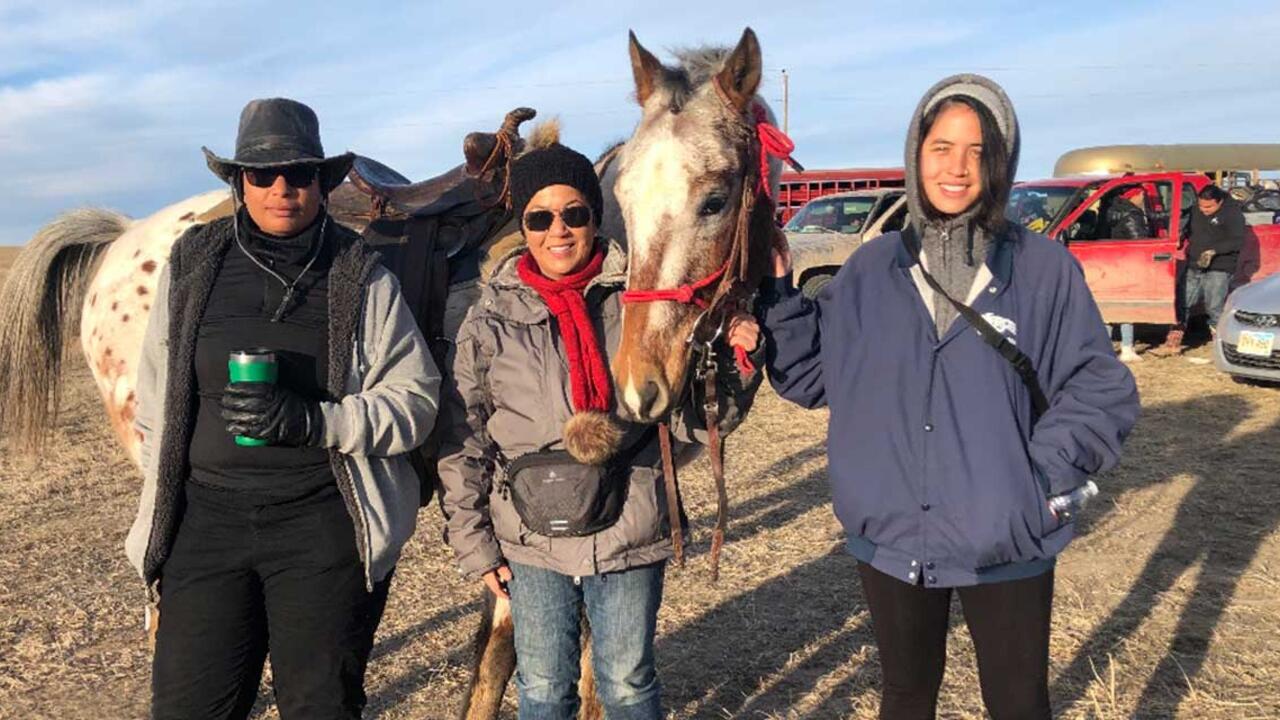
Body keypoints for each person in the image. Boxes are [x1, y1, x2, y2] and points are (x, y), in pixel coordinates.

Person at [749, 75, 1140, 719]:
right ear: (915, 152)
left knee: (1017, 702)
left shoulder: (1042, 270)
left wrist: (1035, 480)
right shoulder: (873, 269)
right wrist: (780, 299)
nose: (957, 167)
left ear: (1002, 162)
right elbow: (816, 374)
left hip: (1006, 534)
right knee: (906, 695)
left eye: (978, 150)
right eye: (941, 146)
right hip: (893, 532)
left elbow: (1102, 389)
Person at [128, 98, 441, 719]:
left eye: (300, 174)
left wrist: (315, 422)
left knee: (319, 706)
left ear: (321, 183)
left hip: (320, 525)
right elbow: (155, 392)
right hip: (204, 526)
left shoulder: (362, 273)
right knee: (189, 707)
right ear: (239, 180)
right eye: (262, 174)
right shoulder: (194, 262)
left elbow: (416, 400)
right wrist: (168, 480)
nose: (281, 189)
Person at [437, 142, 762, 720]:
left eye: (574, 213)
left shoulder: (639, 305)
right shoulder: (489, 319)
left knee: (629, 683)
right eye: (540, 218)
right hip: (529, 541)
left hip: (627, 531)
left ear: (594, 216)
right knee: (541, 687)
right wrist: (475, 545)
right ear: (524, 227)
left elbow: (689, 424)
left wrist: (739, 369)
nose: (558, 231)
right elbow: (465, 439)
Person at [1151, 184, 1245, 355]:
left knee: (1214, 307)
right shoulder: (1196, 210)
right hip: (1194, 263)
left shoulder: (1233, 214)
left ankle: (1222, 347)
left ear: (1220, 202)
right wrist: (1180, 236)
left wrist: (1214, 251)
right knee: (1182, 303)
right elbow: (1189, 227)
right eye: (1201, 206)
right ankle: (1172, 344)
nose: (1203, 210)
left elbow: (1237, 241)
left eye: (1208, 207)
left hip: (1219, 267)